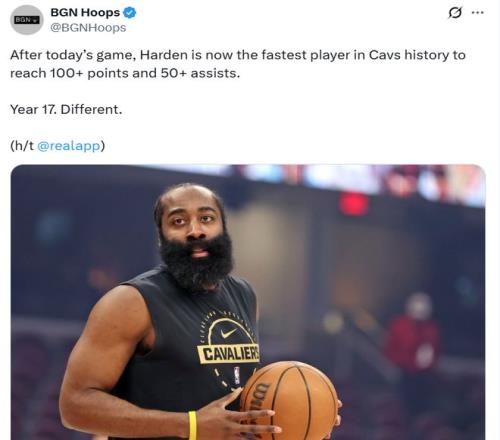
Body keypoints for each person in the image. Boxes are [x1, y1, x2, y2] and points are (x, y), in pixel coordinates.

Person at [59, 183, 341, 439]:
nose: (195, 230)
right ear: (161, 238)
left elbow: (232, 392)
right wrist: (190, 425)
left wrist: (305, 410)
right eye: (178, 221)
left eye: (206, 218)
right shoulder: (130, 301)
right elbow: (74, 406)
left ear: (223, 229)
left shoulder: (245, 295)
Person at [383, 292, 441, 417]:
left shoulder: (431, 329)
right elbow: (391, 349)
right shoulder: (399, 325)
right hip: (404, 373)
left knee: (422, 406)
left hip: (424, 376)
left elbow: (435, 350)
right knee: (404, 405)